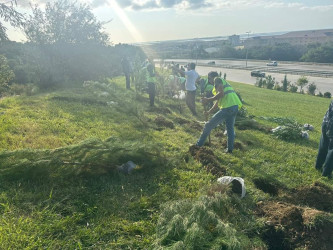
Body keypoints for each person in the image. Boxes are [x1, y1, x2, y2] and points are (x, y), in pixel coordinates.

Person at [196, 77, 242, 153]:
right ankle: (230, 150)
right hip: (234, 107)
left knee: (208, 125)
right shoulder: (224, 84)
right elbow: (217, 102)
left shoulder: (217, 80)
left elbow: (221, 94)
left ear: (211, 78)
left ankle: (198, 145)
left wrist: (208, 99)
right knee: (230, 129)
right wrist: (209, 112)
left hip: (227, 108)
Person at [315, 100, 333, 178]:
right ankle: (326, 173)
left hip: (326, 122)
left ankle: (318, 165)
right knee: (332, 150)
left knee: (323, 144)